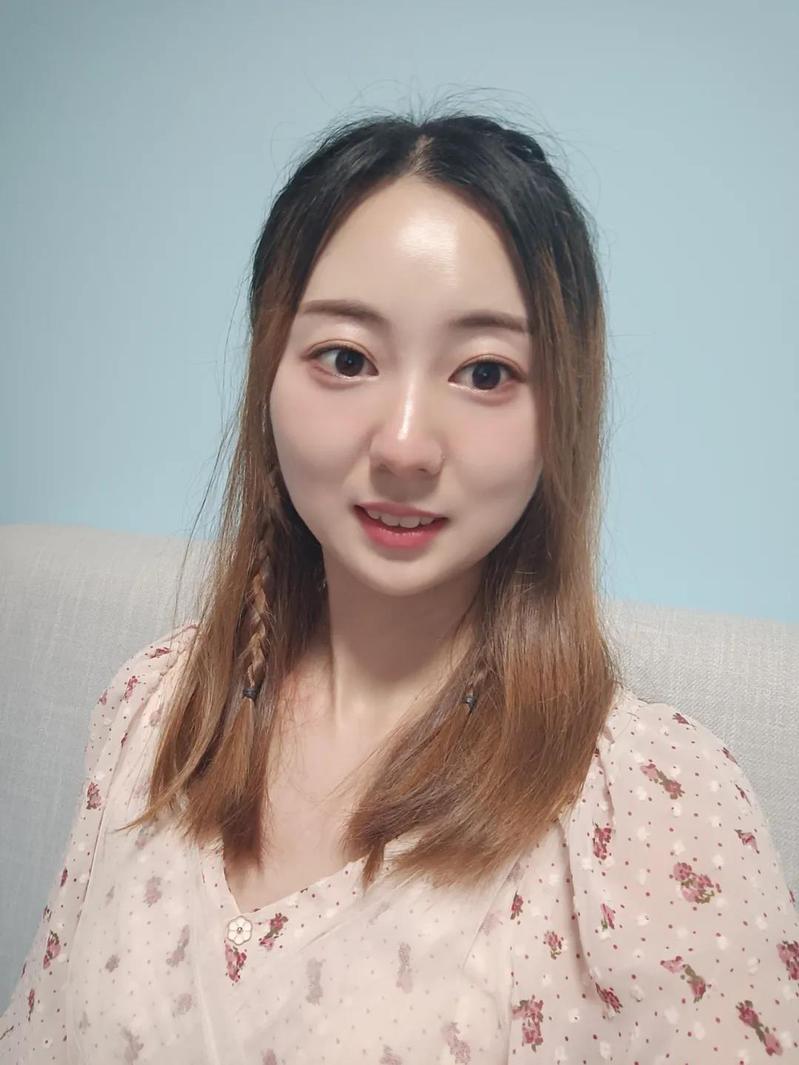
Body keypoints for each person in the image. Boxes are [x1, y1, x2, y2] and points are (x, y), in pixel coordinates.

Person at [2, 109, 797, 1064]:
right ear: (267, 375)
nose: (406, 445)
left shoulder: (656, 809)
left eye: (485, 372)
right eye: (346, 359)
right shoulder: (151, 710)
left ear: (563, 412)